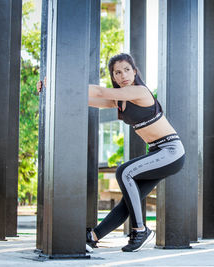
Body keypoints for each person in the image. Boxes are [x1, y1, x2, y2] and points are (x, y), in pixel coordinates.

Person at [37, 53, 185, 252]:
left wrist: (59, 81)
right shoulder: (120, 100)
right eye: (117, 72)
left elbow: (99, 91)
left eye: (126, 70)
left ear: (134, 71)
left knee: (124, 172)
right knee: (129, 200)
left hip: (171, 151)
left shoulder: (139, 91)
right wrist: (52, 88)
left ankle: (140, 230)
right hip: (158, 153)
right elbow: (87, 98)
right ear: (113, 77)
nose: (123, 75)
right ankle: (94, 236)